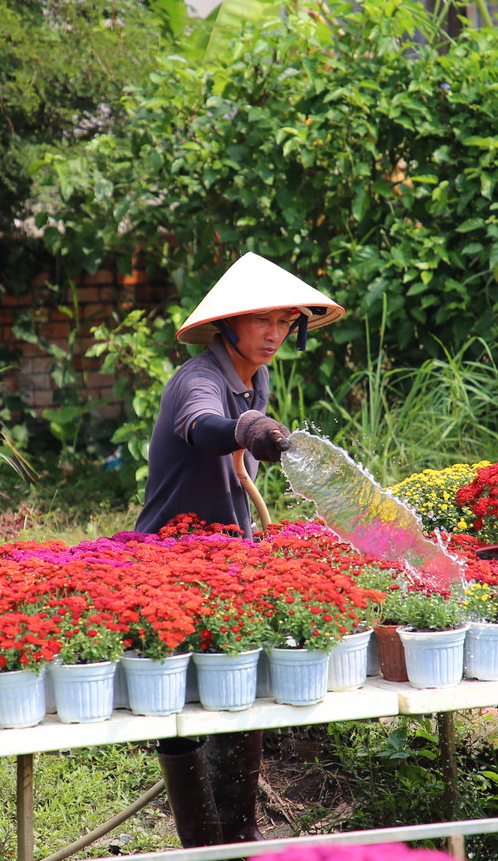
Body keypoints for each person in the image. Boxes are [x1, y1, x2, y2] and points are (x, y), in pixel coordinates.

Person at [135, 251, 344, 847]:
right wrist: (246, 428)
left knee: (238, 698)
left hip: (231, 561)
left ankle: (242, 843)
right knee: (180, 709)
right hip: (171, 559)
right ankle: (203, 849)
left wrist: (257, 422)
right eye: (261, 321)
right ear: (229, 325)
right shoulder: (198, 379)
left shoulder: (257, 377)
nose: (274, 334)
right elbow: (204, 426)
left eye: (284, 321)